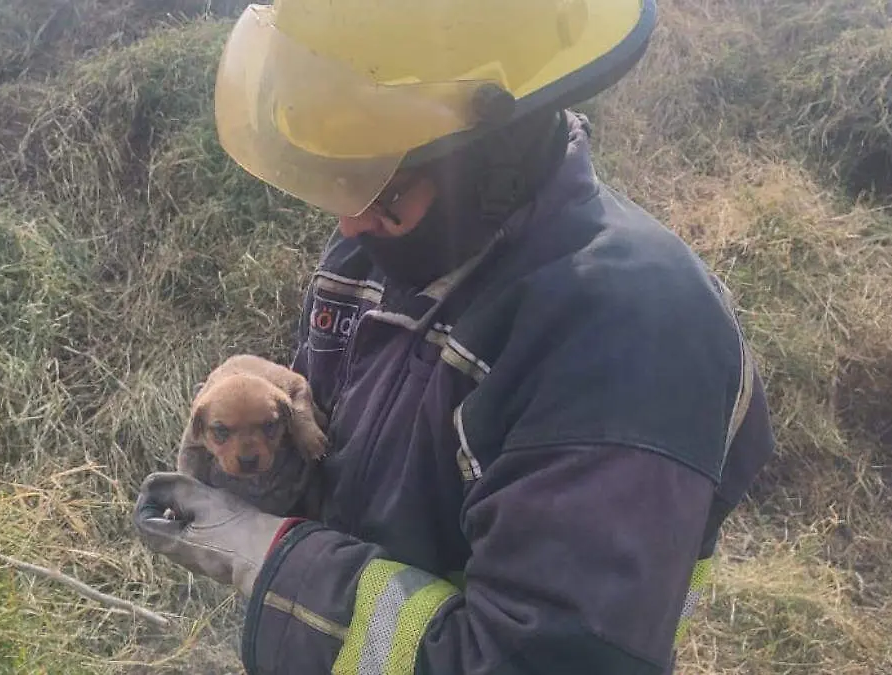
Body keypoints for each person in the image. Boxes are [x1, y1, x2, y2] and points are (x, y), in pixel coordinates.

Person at [133, 0, 777, 673]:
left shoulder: (634, 336)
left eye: (386, 188)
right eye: (342, 179)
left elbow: (527, 659)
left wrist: (274, 558)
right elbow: (343, 463)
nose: (348, 224)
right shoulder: (377, 249)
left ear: (498, 158)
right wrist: (269, 445)